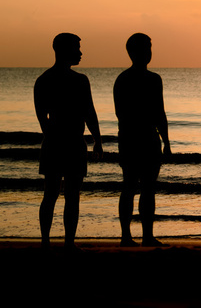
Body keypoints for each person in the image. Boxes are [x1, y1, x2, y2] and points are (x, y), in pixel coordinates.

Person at [34, 33, 103, 252]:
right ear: (64, 50)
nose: (80, 53)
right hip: (70, 143)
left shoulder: (44, 80)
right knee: (66, 195)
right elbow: (89, 112)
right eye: (77, 48)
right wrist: (97, 140)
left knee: (54, 194)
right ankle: (65, 243)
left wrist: (97, 139)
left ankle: (51, 242)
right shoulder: (78, 81)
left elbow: (42, 119)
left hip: (58, 142)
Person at [114, 33, 171, 247]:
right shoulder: (125, 79)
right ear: (133, 52)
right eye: (145, 48)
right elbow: (123, 113)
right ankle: (126, 236)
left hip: (146, 138)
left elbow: (160, 112)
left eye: (149, 48)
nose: (148, 53)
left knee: (147, 188)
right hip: (133, 138)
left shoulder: (153, 79)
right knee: (130, 186)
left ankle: (146, 235)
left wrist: (166, 141)